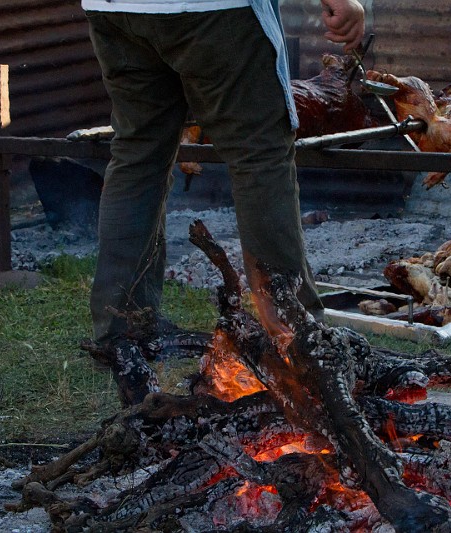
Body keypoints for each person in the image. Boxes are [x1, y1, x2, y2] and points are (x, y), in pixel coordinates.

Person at [80, 0, 365, 353]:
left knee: (137, 156)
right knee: (258, 156)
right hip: (215, 11)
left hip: (116, 11)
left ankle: (120, 333)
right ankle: (295, 338)